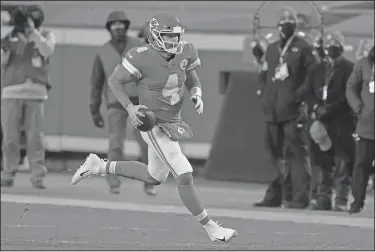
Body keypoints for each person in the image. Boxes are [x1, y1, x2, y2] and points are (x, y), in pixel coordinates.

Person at [72, 13, 237, 242]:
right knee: (185, 174)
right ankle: (211, 228)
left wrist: (196, 92)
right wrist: (130, 108)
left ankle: (99, 166)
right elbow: (114, 81)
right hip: (153, 122)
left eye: (176, 36)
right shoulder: (141, 56)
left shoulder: (186, 50)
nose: (174, 41)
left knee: (154, 176)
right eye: (168, 36)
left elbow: (191, 75)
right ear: (156, 37)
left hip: (173, 120)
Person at [252, 7, 319, 209]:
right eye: (284, 22)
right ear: (279, 25)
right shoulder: (272, 49)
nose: (287, 25)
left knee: (296, 154)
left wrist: (298, 97)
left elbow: (312, 77)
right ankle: (275, 196)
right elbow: (264, 73)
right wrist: (263, 94)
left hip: (292, 111)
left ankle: (299, 197)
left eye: (291, 21)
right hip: (272, 110)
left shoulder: (305, 48)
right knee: (274, 156)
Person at [90, 11, 157, 196]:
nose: (118, 27)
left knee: (146, 144)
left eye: (121, 24)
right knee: (115, 145)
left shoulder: (138, 45)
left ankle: (149, 181)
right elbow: (96, 83)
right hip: (115, 103)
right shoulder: (102, 52)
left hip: (140, 102)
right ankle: (114, 182)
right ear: (109, 28)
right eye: (114, 24)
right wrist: (94, 109)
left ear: (126, 26)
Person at [1, 5, 55, 189]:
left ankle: (37, 176)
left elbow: (47, 51)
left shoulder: (46, 35)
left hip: (35, 92)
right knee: (10, 137)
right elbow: (2, 60)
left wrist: (32, 32)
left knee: (35, 137)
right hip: (11, 91)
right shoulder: (9, 35)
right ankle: (8, 173)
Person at [306, 32, 355, 211]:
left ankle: (341, 200)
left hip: (341, 121)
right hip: (320, 120)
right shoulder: (317, 70)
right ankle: (322, 198)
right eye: (330, 43)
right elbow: (309, 92)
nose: (332, 46)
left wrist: (330, 109)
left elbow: (349, 94)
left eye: (336, 43)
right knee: (321, 161)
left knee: (342, 162)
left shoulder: (350, 68)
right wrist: (316, 108)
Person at [346, 39, 375, 214]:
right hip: (367, 125)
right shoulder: (363, 64)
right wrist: (359, 108)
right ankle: (357, 201)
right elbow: (351, 87)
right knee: (361, 165)